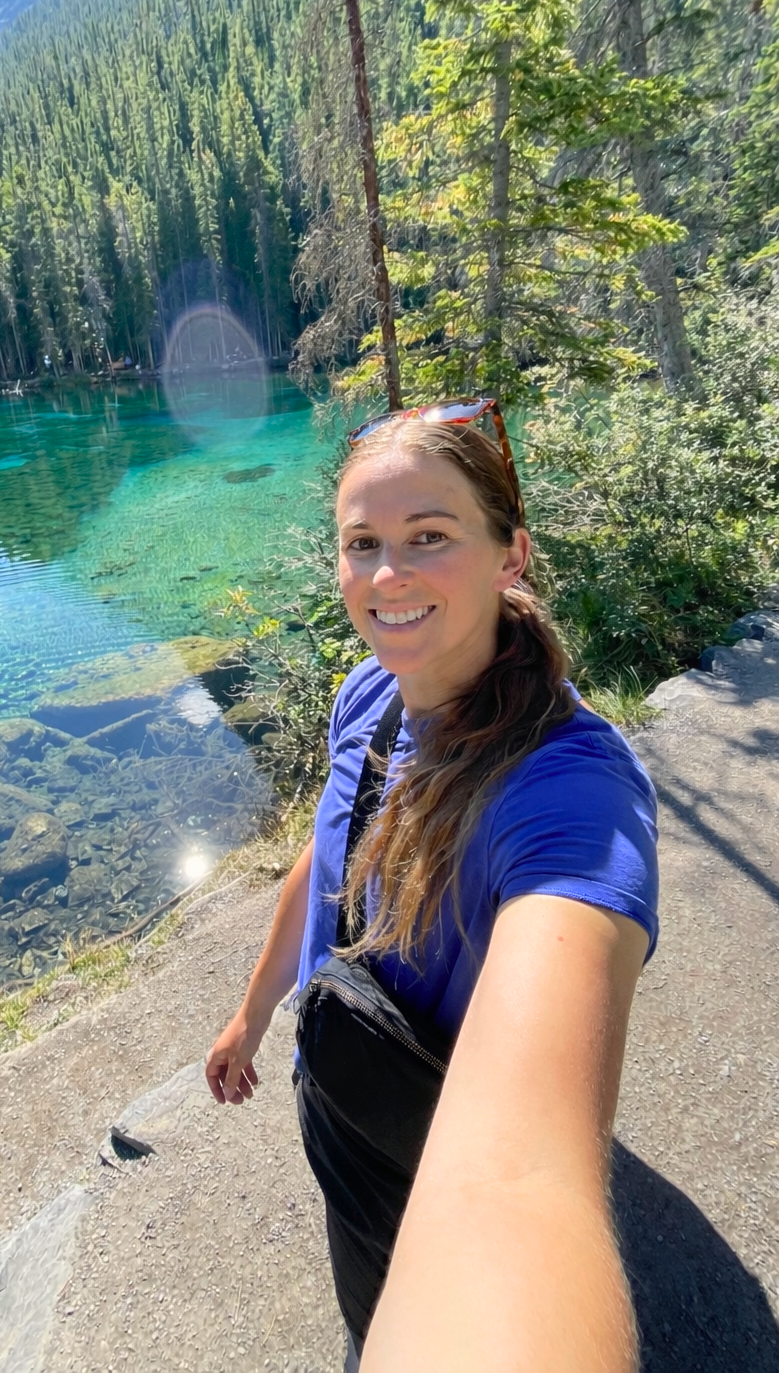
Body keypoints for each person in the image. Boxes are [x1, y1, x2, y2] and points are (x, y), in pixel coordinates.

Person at [205, 400, 658, 1373]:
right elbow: (330, 854)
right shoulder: (366, 694)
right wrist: (252, 1012)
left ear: (511, 554)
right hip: (347, 1104)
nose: (385, 575)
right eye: (360, 542)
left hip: (422, 1157)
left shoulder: (572, 796)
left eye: (429, 536)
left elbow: (520, 1183)